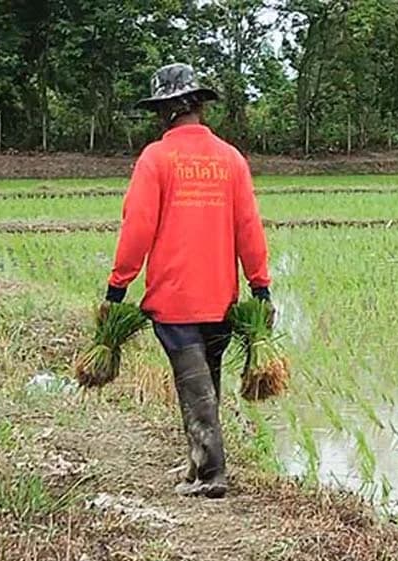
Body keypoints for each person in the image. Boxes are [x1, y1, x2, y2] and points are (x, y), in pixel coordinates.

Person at [102, 63, 272, 499]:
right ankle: (198, 462)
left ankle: (212, 473)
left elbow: (137, 227)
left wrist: (117, 287)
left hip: (174, 298)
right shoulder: (230, 159)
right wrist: (260, 286)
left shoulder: (156, 158)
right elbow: (249, 227)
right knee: (205, 381)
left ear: (167, 110)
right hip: (221, 297)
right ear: (198, 105)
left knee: (194, 385)